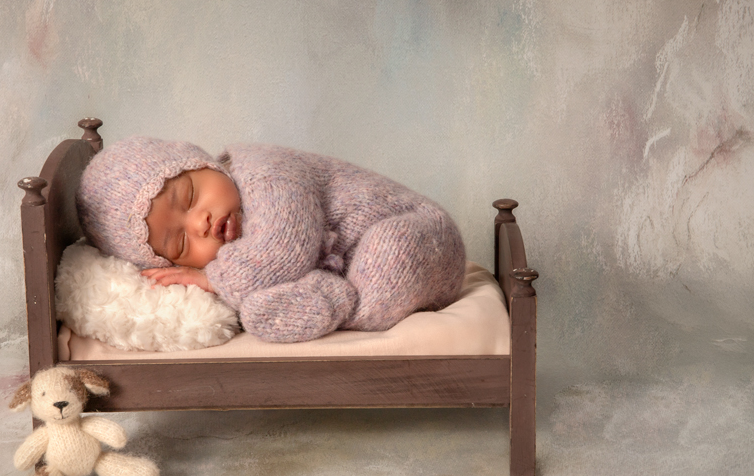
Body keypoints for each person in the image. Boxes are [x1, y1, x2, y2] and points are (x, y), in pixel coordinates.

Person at [77, 136, 466, 343]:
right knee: (265, 302)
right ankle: (329, 294)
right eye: (180, 244)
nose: (200, 224)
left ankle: (336, 300)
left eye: (191, 197)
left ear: (202, 163)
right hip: (370, 261)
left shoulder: (266, 172)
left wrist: (217, 280)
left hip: (422, 234)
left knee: (385, 270)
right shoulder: (231, 228)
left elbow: (284, 248)